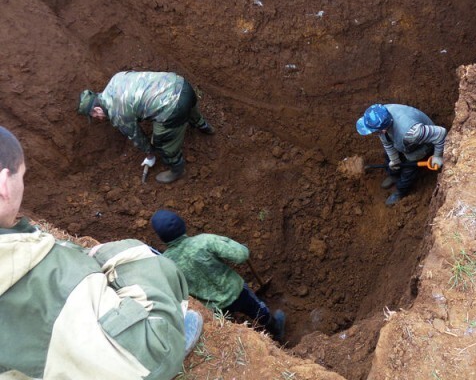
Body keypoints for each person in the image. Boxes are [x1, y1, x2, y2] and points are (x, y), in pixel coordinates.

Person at [0, 126, 203, 379]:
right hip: (137, 360)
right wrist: (112, 254)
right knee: (139, 256)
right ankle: (170, 333)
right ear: (3, 186)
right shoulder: (56, 283)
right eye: (22, 176)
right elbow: (237, 253)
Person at [150, 209, 286, 343]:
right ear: (182, 224)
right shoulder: (204, 241)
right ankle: (275, 329)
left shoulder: (167, 263)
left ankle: (244, 339)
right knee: (257, 310)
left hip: (213, 306)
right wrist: (242, 248)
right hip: (236, 292)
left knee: (229, 326)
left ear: (161, 238)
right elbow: (241, 255)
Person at [77, 71, 215, 184]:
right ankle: (202, 125)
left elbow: (137, 136)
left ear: (96, 110)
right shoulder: (115, 79)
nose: (98, 119)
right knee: (187, 107)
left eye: (94, 116)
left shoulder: (116, 113)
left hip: (173, 106)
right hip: (181, 84)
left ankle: (177, 169)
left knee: (162, 142)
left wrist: (150, 153)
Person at [356, 103, 447, 206]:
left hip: (419, 145)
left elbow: (440, 133)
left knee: (408, 172)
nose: (373, 133)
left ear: (383, 130)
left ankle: (400, 192)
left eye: (374, 132)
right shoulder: (380, 115)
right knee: (388, 158)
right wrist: (394, 160)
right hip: (400, 140)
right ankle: (394, 175)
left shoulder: (412, 133)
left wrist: (437, 156)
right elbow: (386, 142)